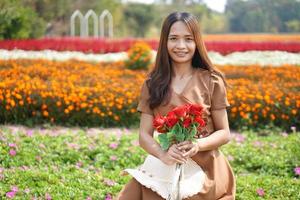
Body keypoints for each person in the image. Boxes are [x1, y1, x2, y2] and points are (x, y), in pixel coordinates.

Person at [117, 11, 236, 200]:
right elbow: (144, 135)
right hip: (166, 162)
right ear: (165, 42)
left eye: (188, 39)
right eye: (174, 38)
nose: (181, 46)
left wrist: (197, 144)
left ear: (197, 42)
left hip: (207, 169)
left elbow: (224, 133)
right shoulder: (152, 84)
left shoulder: (212, 81)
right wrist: (162, 154)